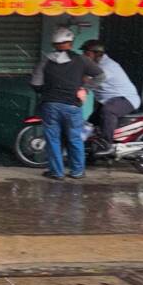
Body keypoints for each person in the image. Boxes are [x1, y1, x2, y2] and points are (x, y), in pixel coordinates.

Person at [31, 27, 105, 180]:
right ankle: (77, 171)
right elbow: (101, 76)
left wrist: (48, 90)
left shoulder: (46, 61)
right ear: (70, 43)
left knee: (53, 139)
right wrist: (85, 89)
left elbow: (35, 84)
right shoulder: (82, 59)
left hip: (51, 105)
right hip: (73, 105)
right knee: (74, 138)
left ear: (54, 44)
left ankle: (56, 172)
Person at [80, 39, 142, 156]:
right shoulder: (95, 65)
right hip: (109, 100)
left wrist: (82, 83)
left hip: (126, 99)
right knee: (90, 123)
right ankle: (86, 150)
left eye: (87, 53)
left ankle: (106, 144)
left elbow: (96, 80)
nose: (84, 55)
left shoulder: (107, 66)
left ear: (97, 54)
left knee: (108, 111)